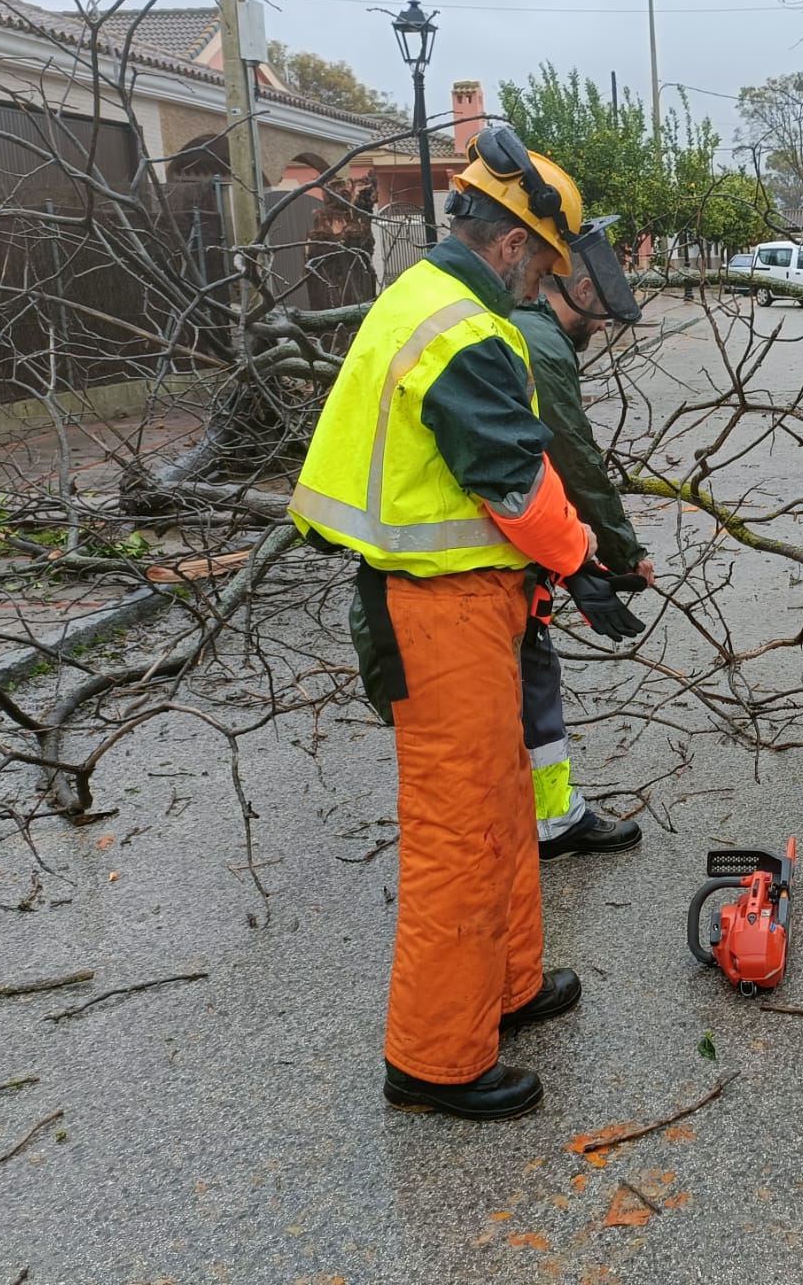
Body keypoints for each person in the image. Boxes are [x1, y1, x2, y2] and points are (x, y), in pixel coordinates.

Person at [289, 126, 645, 1121]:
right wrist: (584, 568)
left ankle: (507, 986)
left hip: (469, 602)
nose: (543, 283)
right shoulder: (454, 326)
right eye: (541, 263)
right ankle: (434, 1059)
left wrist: (558, 569)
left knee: (498, 805)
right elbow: (514, 480)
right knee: (455, 830)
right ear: (507, 245)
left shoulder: (449, 309)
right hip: (431, 609)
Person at [510, 215, 654, 861]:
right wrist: (621, 554)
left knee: (530, 676)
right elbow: (572, 459)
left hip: (505, 553)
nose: (601, 328)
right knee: (522, 681)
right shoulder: (539, 345)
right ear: (585, 291)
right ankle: (541, 822)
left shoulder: (529, 332)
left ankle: (547, 816)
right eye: (603, 314)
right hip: (479, 566)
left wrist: (576, 562)